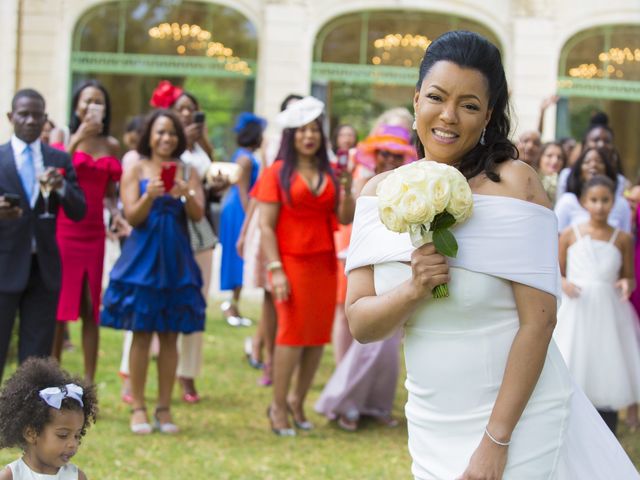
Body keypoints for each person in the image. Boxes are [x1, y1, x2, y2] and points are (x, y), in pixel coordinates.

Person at [344, 30, 638, 479]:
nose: (448, 116)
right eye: (437, 97)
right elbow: (361, 325)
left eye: (469, 105)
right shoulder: (378, 195)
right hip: (431, 418)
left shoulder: (516, 185)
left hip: (519, 422)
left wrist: (495, 441)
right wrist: (414, 288)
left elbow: (538, 322)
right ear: (416, 97)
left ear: (488, 117)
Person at [101, 109, 206, 434]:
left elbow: (198, 213)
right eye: (160, 132)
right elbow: (132, 217)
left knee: (170, 335)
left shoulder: (188, 170)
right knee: (142, 333)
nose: (166, 138)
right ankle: (138, 406)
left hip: (175, 258)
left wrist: (184, 192)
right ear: (150, 135)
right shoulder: (135, 168)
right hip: (144, 258)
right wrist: (150, 194)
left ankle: (164, 407)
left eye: (172, 133)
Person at [256, 96, 355, 436]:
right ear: (292, 136)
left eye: (314, 130)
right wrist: (275, 268)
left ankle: (298, 401)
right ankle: (278, 405)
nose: (309, 136)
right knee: (290, 335)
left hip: (324, 264)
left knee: (316, 337)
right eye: (302, 131)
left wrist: (346, 188)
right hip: (290, 263)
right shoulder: (275, 173)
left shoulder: (330, 173)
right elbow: (266, 225)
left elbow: (344, 217)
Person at [316, 123, 416, 431]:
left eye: (395, 154)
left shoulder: (413, 183)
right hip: (362, 258)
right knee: (366, 339)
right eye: (383, 152)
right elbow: (347, 217)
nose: (388, 159)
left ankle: (376, 404)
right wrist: (346, 187)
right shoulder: (365, 180)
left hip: (399, 263)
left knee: (388, 345)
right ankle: (347, 402)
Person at [0, 89, 86, 382]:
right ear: (11, 117)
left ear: (45, 119)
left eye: (37, 115)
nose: (30, 120)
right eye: (24, 114)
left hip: (44, 268)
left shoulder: (58, 159)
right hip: (5, 264)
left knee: (35, 357)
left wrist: (62, 187)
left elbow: (79, 210)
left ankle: (25, 421)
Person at [49, 80, 122, 382]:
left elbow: (109, 193)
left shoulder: (112, 145)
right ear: (77, 105)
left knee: (93, 306)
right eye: (87, 100)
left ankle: (88, 383)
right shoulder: (62, 136)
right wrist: (77, 139)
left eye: (99, 101)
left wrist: (117, 215)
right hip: (65, 229)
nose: (92, 106)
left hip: (94, 232)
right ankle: (50, 378)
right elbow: (52, 172)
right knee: (59, 306)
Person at [554, 175, 640, 435]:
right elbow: (556, 272)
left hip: (608, 311)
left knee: (607, 359)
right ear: (583, 202)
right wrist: (565, 282)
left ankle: (607, 423)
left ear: (613, 202)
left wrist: (626, 284)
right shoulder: (569, 235)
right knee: (574, 358)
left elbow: (629, 277)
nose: (600, 206)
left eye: (605, 200)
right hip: (576, 308)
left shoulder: (622, 238)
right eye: (594, 200)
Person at [238, 93, 303, 386]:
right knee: (269, 295)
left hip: (299, 230)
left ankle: (283, 358)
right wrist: (245, 229)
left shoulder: (313, 149)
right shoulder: (272, 144)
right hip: (271, 226)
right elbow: (261, 190)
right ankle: (266, 356)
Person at [0, 357, 97, 480]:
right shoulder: (11, 476)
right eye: (63, 435)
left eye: (77, 436)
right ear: (31, 434)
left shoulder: (76, 477)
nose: (73, 444)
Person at [219, 112, 266, 326]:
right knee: (238, 255)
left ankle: (234, 305)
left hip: (237, 206)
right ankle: (230, 304)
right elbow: (243, 190)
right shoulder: (246, 159)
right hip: (239, 208)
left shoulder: (244, 155)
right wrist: (250, 219)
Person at [554, 147, 631, 233]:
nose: (593, 165)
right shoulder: (567, 201)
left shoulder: (621, 204)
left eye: (599, 161)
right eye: (587, 162)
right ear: (579, 171)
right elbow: (556, 237)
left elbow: (626, 240)